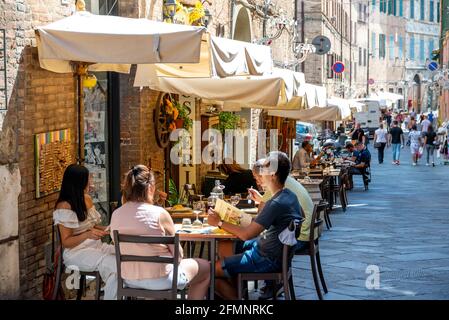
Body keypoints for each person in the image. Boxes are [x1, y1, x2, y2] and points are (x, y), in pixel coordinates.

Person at [207, 152, 301, 300]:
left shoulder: (275, 203)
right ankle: (236, 285)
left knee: (207, 271)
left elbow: (246, 234)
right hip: (272, 252)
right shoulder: (290, 196)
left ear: (273, 175)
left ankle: (236, 296)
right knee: (226, 245)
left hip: (265, 258)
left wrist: (219, 222)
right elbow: (296, 215)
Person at [110, 165, 210, 299]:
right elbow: (178, 256)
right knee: (206, 267)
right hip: (161, 279)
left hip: (129, 279)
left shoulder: (116, 215)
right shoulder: (160, 214)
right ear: (150, 188)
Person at [248, 158, 314, 299]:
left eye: (258, 177)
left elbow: (262, 215)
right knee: (265, 237)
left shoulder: (274, 185)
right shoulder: (285, 182)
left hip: (298, 237)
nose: (258, 182)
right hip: (305, 231)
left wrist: (261, 201)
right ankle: (272, 283)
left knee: (264, 240)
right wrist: (261, 199)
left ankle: (268, 283)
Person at [53, 164, 117, 300]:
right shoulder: (64, 206)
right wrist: (87, 235)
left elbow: (93, 226)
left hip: (96, 247)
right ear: (79, 182)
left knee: (122, 258)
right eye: (88, 179)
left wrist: (109, 228)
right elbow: (66, 242)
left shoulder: (86, 199)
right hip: (76, 253)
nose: (91, 182)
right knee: (115, 266)